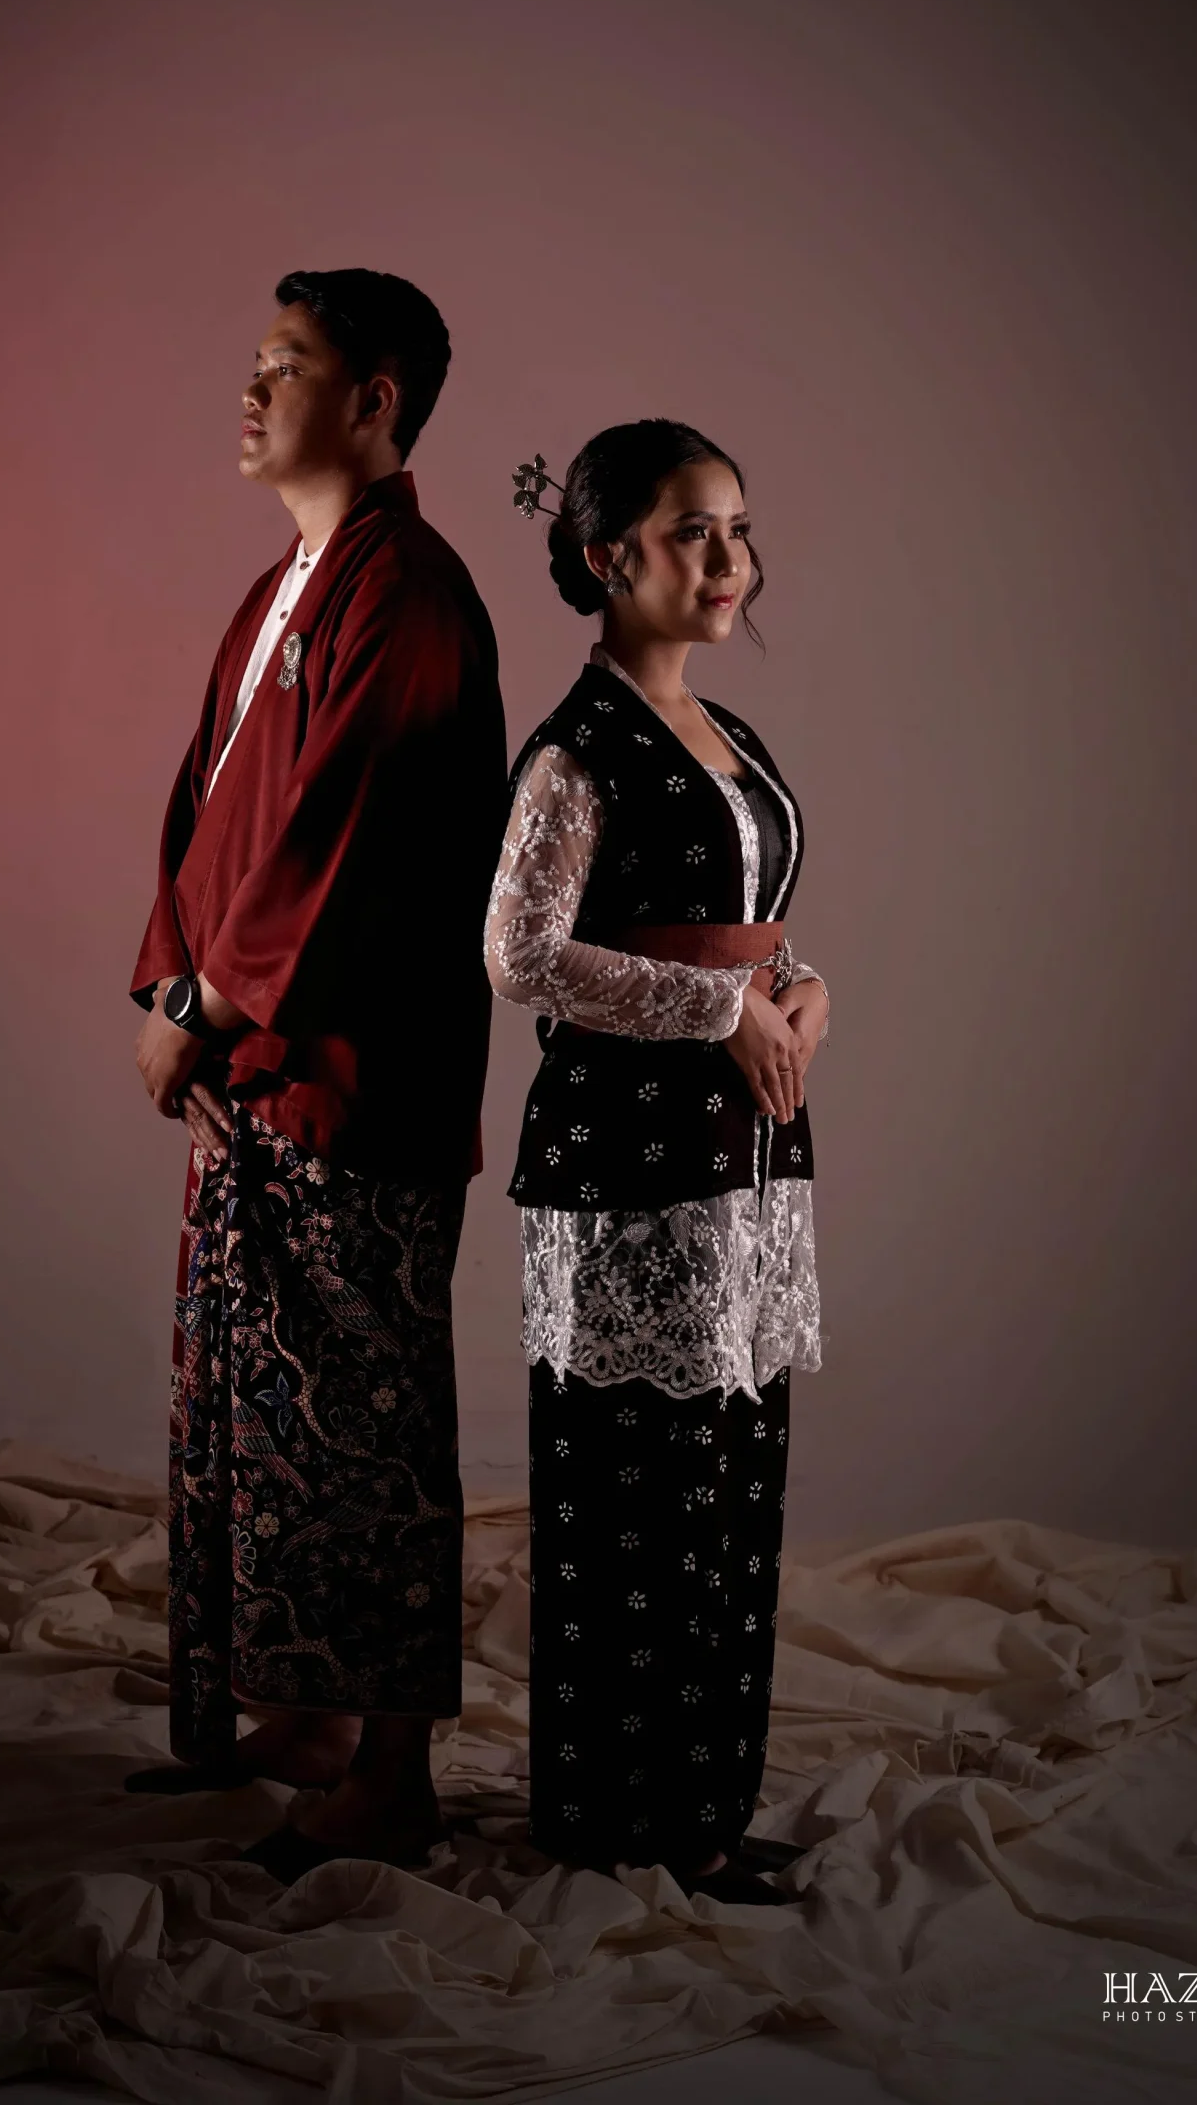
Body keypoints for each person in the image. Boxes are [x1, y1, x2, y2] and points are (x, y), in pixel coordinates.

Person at [128, 268, 505, 1881]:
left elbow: (346, 832)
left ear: (374, 399)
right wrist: (175, 988)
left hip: (356, 1076)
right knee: (259, 1407)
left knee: (365, 1420)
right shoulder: (286, 585)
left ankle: (395, 1774)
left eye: (282, 365)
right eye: (254, 363)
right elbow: (206, 816)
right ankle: (305, 1711)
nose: (250, 390)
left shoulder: (404, 592)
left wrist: (207, 1005)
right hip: (257, 1058)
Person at [485, 421, 830, 1902]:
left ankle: (706, 1805)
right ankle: (625, 1813)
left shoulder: (729, 736)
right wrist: (715, 1011)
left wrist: (804, 993)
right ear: (605, 554)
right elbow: (519, 955)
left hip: (743, 1147)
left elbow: (746, 924)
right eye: (695, 531)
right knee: (640, 1485)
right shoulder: (578, 749)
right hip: (627, 1153)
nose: (730, 559)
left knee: (734, 1472)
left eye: (738, 529)